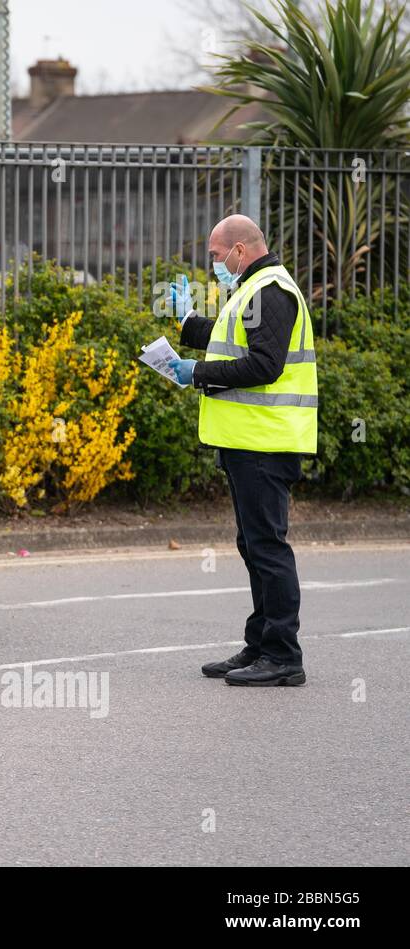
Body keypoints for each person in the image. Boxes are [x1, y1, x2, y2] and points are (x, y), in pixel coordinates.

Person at [167, 214, 318, 687]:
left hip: (265, 442)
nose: (213, 265)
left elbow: (264, 364)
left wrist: (197, 372)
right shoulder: (253, 288)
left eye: (215, 256)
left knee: (267, 546)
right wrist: (188, 324)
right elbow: (233, 339)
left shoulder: (271, 289)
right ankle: (260, 644)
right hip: (246, 440)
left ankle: (283, 655)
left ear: (240, 249)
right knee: (252, 544)